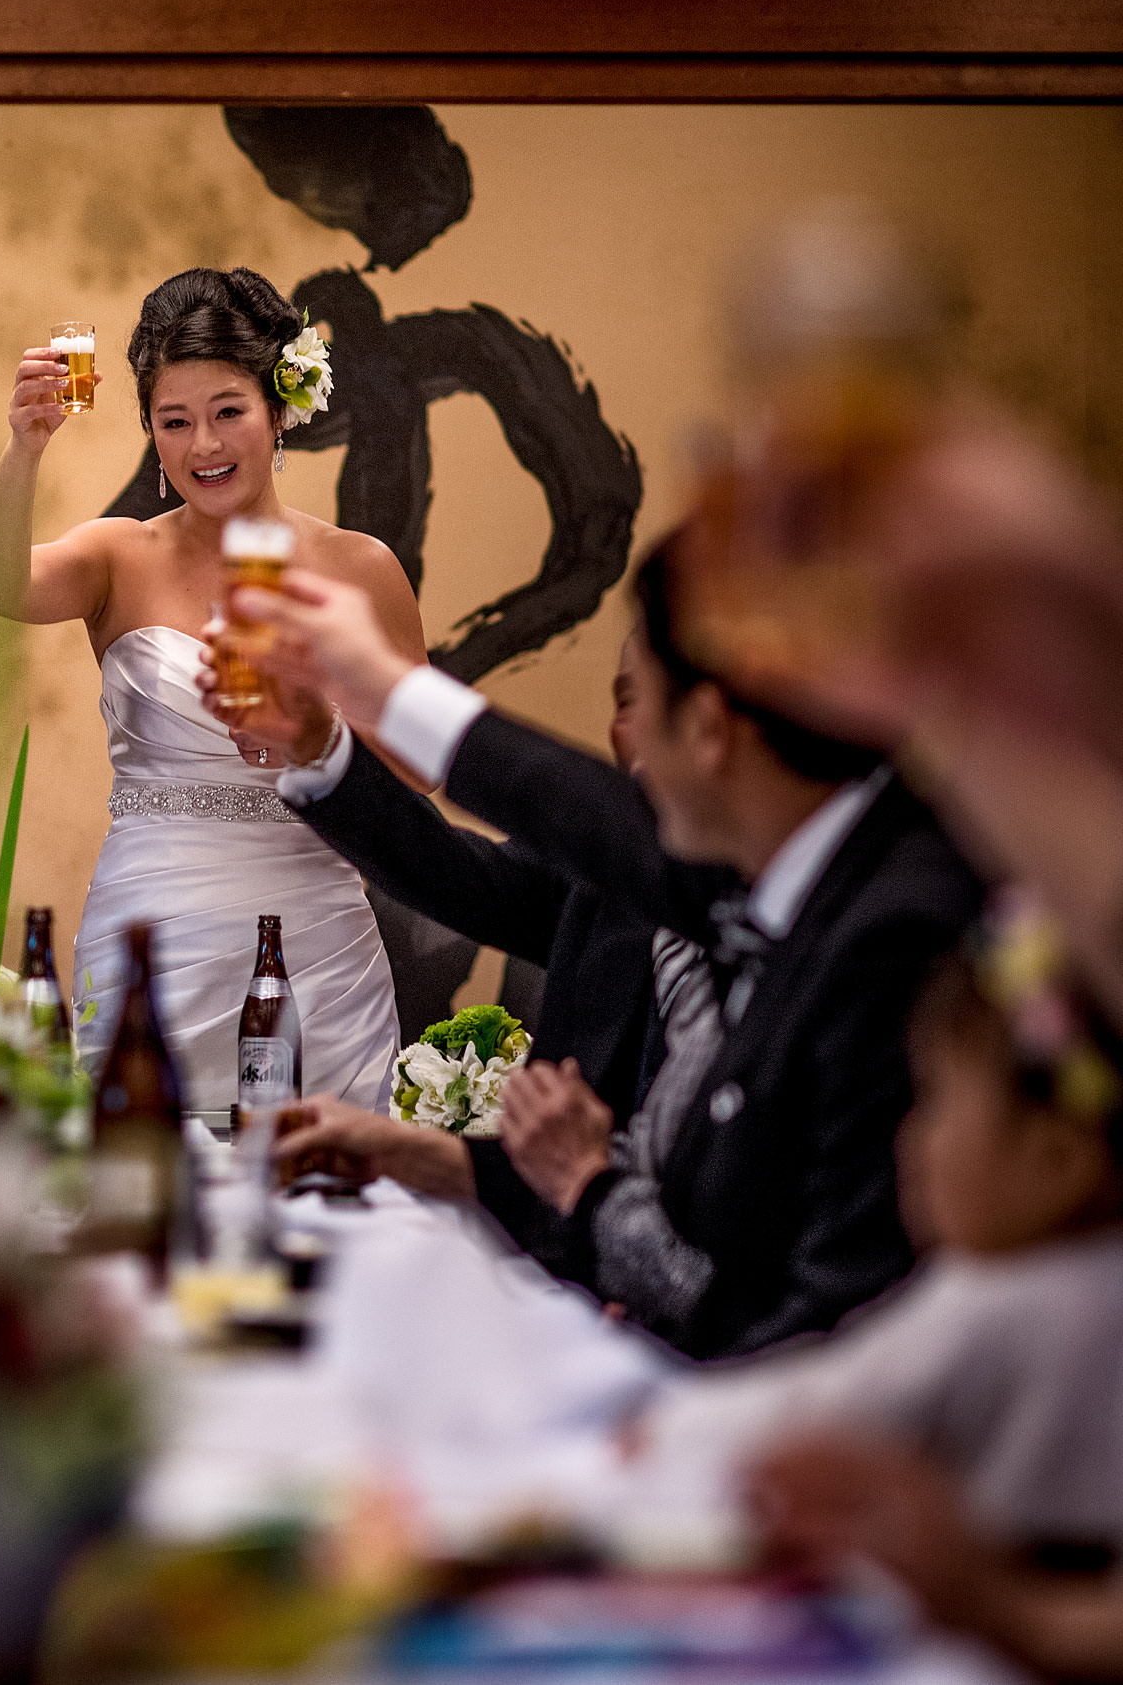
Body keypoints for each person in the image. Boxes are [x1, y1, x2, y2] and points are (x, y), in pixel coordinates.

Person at [241, 540, 984, 1358]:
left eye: (644, 703)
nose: (619, 747)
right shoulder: (772, 873)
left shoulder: (890, 932)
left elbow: (801, 1322)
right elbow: (481, 865)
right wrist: (428, 1156)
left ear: (706, 731)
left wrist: (385, 688)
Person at [0, 266, 414, 1112]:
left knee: (326, 1189)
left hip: (313, 934)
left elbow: (425, 768)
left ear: (278, 411)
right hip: (151, 929)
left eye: (227, 413)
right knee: (133, 1183)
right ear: (152, 436)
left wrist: (323, 738)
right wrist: (24, 443)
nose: (204, 445)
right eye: (175, 422)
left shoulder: (361, 566)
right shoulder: (118, 554)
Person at [641, 912, 1123, 1563]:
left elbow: (811, 1415)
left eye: (934, 1096)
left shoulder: (992, 1303)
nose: (911, 1136)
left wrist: (659, 1429)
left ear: (1057, 1157)